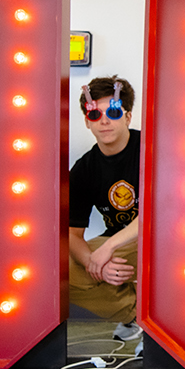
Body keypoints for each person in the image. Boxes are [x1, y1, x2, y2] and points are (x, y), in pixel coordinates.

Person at [67, 75, 143, 341]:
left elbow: (157, 215)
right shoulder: (83, 169)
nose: (104, 120)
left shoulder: (151, 150)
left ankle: (156, 322)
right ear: (88, 122)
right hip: (120, 241)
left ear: (128, 116)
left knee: (107, 254)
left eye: (112, 112)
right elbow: (72, 235)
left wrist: (106, 250)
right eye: (95, 114)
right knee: (59, 269)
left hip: (163, 238)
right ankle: (137, 317)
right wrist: (92, 263)